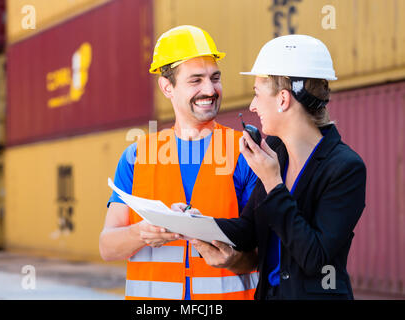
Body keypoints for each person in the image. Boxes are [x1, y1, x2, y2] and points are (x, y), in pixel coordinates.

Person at [183, 34, 367, 299]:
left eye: (257, 94)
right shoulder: (277, 154)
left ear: (283, 99)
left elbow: (315, 259)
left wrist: (273, 182)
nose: (252, 105)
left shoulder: (345, 168)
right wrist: (191, 222)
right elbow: (247, 232)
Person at [99, 25, 259, 300]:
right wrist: (143, 233)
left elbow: (264, 253)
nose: (210, 89)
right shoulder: (138, 155)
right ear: (167, 87)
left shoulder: (245, 152)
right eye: (195, 80)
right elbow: (107, 247)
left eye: (215, 77)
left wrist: (231, 259)